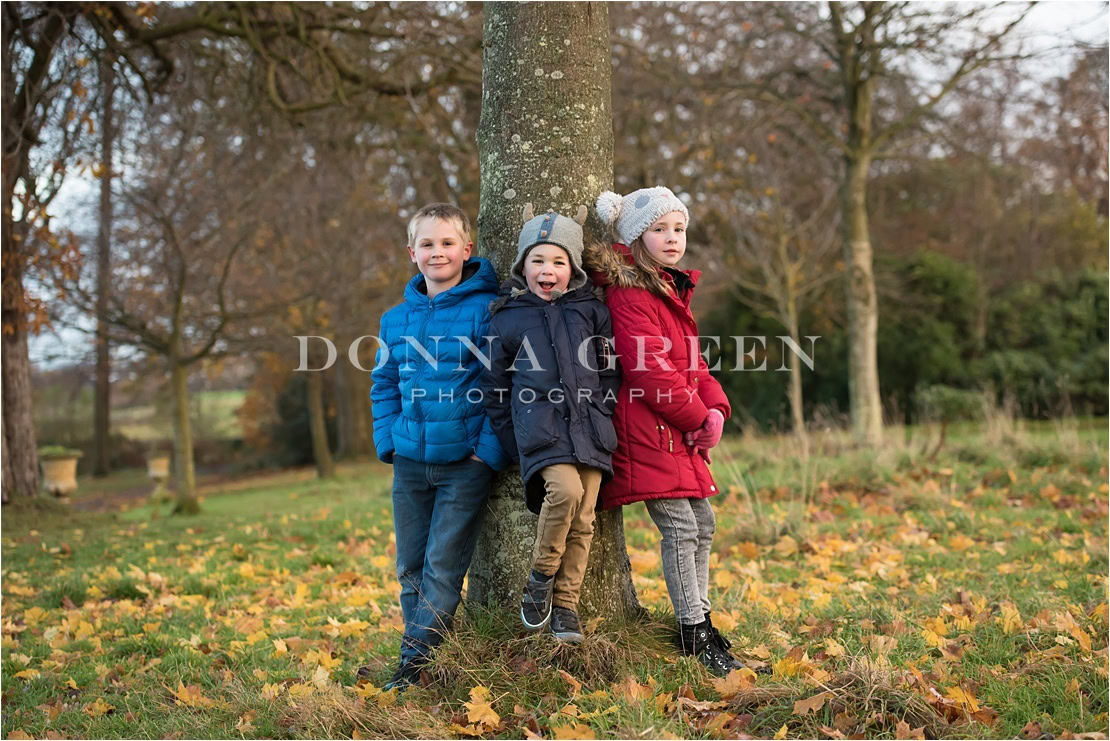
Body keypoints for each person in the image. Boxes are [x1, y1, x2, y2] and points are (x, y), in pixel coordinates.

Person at [585, 186, 742, 676]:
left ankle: (703, 618)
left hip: (679, 430)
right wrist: (697, 419)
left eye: (678, 228)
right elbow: (650, 372)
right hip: (650, 430)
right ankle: (692, 631)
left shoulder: (670, 290)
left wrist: (715, 410)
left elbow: (693, 365)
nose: (673, 238)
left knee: (705, 525)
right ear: (635, 237)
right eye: (659, 229)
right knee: (680, 527)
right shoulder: (632, 293)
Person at [362, 202, 509, 690]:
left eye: (447, 243)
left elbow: (503, 383)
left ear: (467, 249)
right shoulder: (394, 320)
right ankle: (418, 653)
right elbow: (383, 384)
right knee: (410, 566)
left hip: (463, 464)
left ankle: (415, 664)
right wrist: (389, 442)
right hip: (409, 463)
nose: (437, 252)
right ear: (412, 252)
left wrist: (484, 451)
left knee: (443, 567)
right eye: (427, 244)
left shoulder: (487, 310)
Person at [482, 204, 620, 644]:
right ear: (523, 266)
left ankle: (565, 607)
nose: (548, 270)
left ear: (572, 269)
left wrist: (605, 410)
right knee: (565, 492)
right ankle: (541, 576)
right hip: (540, 430)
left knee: (584, 520)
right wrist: (515, 440)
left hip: (592, 429)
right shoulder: (506, 317)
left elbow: (609, 370)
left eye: (558, 261)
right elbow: (494, 388)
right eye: (538, 260)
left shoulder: (591, 312)